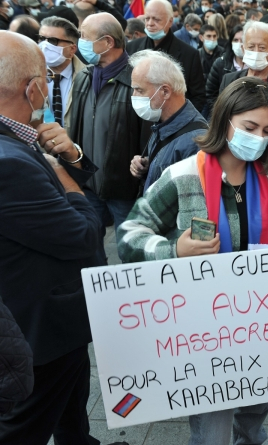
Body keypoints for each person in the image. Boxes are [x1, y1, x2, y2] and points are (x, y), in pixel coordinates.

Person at [118, 76, 268, 445]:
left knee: (255, 412)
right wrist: (173, 251)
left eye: (266, 130)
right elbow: (130, 233)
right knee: (212, 430)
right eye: (249, 127)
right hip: (204, 332)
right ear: (225, 120)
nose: (258, 136)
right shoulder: (181, 178)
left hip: (259, 326)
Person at [0, 30, 103, 445]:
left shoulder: (18, 144)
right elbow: (82, 234)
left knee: (72, 420)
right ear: (35, 88)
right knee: (25, 430)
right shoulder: (11, 163)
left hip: (53, 326)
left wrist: (72, 157)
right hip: (39, 333)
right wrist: (62, 171)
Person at [69, 12, 144, 258]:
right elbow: (77, 129)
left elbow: (146, 135)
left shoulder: (139, 79)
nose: (80, 41)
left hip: (123, 187)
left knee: (129, 252)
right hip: (88, 183)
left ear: (108, 42)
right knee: (90, 250)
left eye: (84, 36)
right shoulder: (84, 77)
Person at [220, 20, 268, 194]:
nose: (255, 52)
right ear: (243, 47)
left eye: (262, 48)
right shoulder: (229, 80)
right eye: (251, 46)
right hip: (230, 162)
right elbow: (220, 120)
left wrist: (254, 149)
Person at [128, 50, 208, 193]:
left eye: (139, 90)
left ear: (165, 91)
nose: (133, 96)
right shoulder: (163, 123)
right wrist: (150, 164)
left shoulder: (195, 141)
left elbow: (191, 202)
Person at [127, 0, 206, 113]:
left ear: (170, 22)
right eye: (147, 18)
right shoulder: (132, 48)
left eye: (156, 19)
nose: (150, 23)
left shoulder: (189, 54)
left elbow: (198, 96)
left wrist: (181, 121)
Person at [38, 17, 86, 136]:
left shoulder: (88, 78)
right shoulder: (27, 76)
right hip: (39, 151)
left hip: (75, 149)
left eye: (53, 41)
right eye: (42, 39)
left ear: (72, 49)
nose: (45, 45)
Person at [206, 24, 245, 117]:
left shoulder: (254, 66)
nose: (239, 43)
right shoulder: (221, 63)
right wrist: (221, 111)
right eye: (236, 40)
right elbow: (211, 93)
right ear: (230, 42)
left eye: (242, 40)